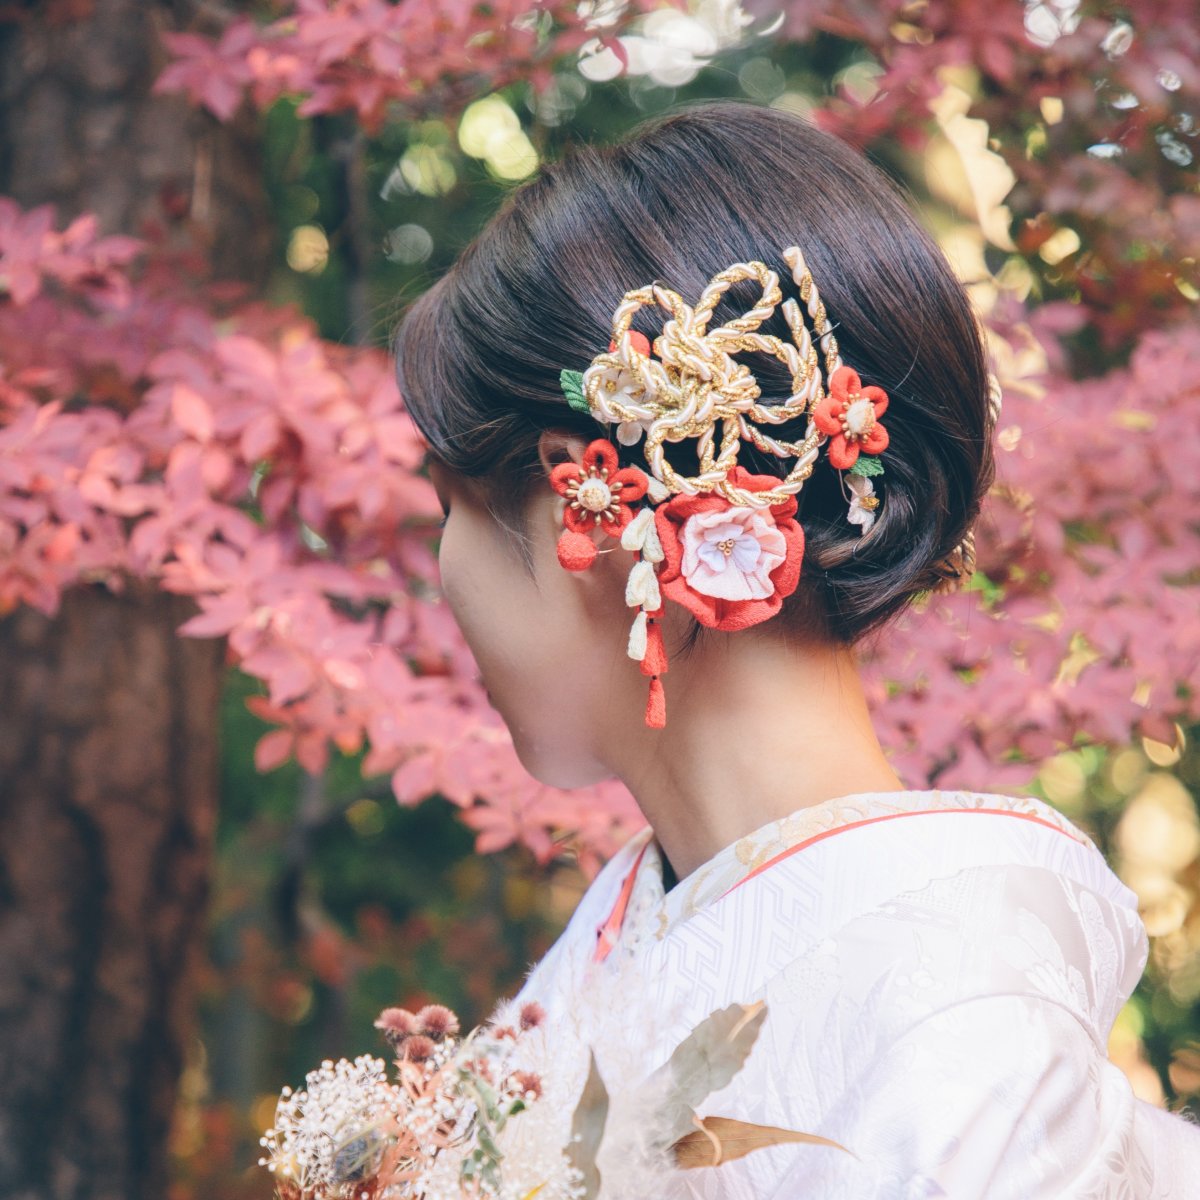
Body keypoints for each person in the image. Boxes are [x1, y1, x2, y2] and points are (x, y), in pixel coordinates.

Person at [393, 98, 1200, 1197]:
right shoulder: (621, 945)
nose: (438, 573)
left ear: (579, 508)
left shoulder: (959, 1012)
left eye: (444, 507)